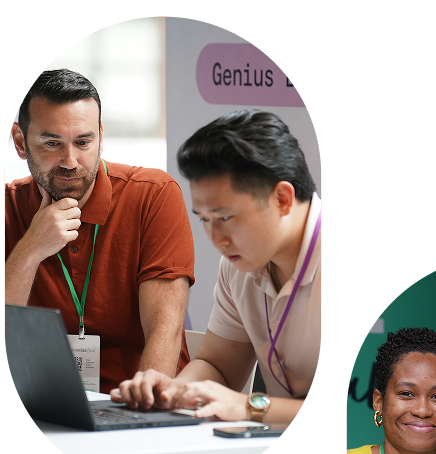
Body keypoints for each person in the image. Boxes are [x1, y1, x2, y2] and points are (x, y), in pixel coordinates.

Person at [113, 110, 347, 425]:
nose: (216, 239)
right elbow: (219, 366)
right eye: (204, 219)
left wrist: (251, 408)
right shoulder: (239, 265)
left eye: (225, 218)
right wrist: (173, 391)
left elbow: (386, 417)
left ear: (282, 199)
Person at [4, 69, 194, 394]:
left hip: (135, 402)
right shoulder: (2, 207)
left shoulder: (153, 194)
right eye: (52, 143)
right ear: (21, 142)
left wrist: (143, 410)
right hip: (43, 404)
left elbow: (166, 327)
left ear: (100, 137)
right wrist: (31, 248)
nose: (70, 161)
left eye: (83, 142)